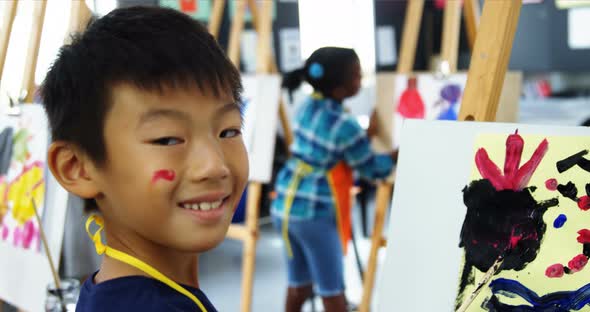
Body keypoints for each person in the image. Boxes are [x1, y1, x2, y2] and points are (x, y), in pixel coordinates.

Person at [41, 7, 248, 312]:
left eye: (228, 131)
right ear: (78, 167)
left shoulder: (111, 290)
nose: (213, 165)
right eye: (167, 139)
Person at [271, 47, 396, 312]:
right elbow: (372, 169)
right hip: (314, 212)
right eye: (356, 75)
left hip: (285, 206)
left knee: (299, 284)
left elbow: (327, 143)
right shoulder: (344, 124)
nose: (361, 80)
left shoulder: (309, 106)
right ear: (340, 87)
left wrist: (365, 135)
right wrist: (396, 155)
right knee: (333, 292)